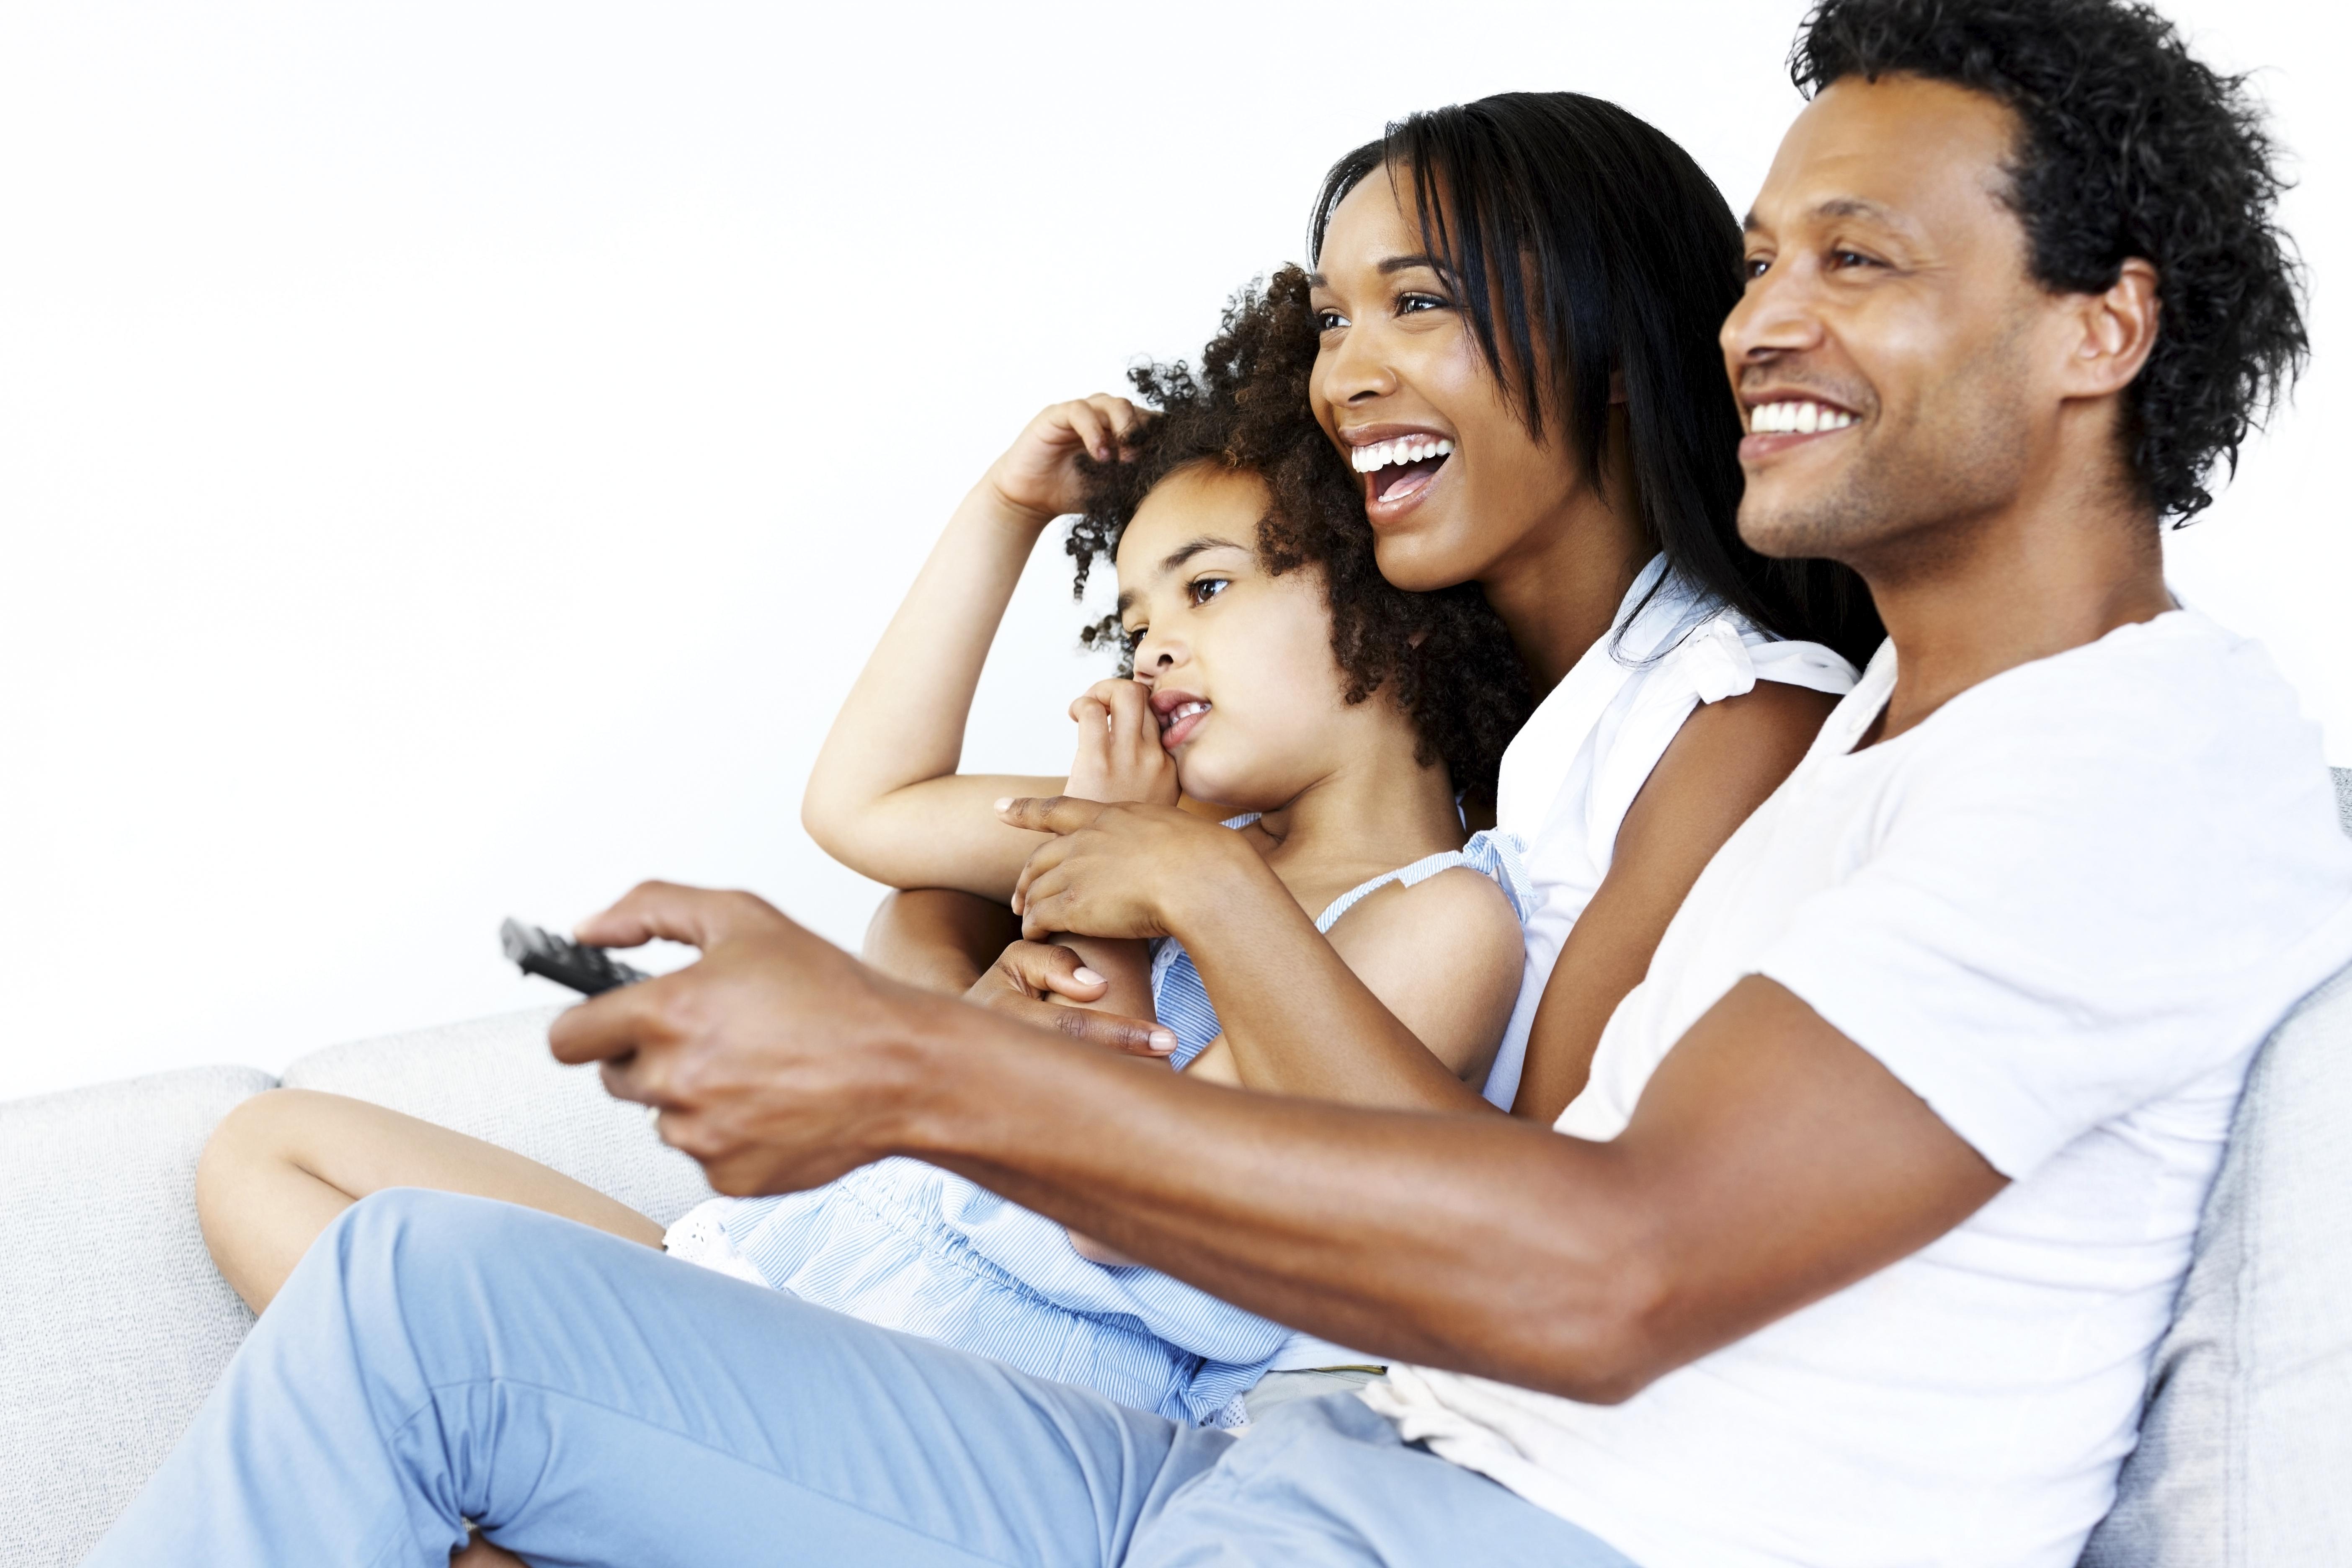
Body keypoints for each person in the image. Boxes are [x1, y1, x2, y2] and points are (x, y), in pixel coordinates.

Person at [90, 4, 2352, 1568]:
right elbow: (1489, 1203)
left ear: (2103, 330)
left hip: (1465, 1529)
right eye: (1760, 263)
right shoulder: (1863, 749)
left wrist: (917, 1073)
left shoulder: (2140, 765)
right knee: (413, 1303)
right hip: (1304, 1465)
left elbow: (1609, 1275)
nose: (1763, 318)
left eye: (1858, 262)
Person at [195, 274, 1537, 1425]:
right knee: (271, 1152)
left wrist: (1103, 936)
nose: (1156, 644)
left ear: (1387, 607)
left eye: (1206, 586)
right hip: (787, 1281)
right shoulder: (1170, 828)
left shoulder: (1432, 925)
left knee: (422, 1387)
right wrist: (1005, 511)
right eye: (1132, 619)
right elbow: (867, 804)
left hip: (944, 1387)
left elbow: (1132, 1226)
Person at [877, 90, 1875, 1125]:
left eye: (1418, 303)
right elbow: (918, 867)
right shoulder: (1379, 711)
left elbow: (1550, 1202)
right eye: (1331, 322)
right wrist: (959, 993)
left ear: (1613, 350)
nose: (1344, 378)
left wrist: (1203, 894)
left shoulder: (1743, 722)